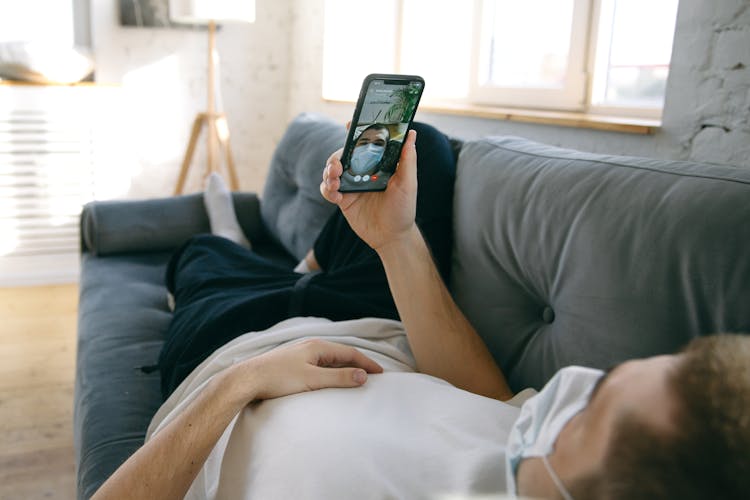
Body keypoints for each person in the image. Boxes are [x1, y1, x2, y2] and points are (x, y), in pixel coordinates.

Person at [92, 125, 750, 500]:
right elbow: (492, 400)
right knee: (420, 145)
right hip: (373, 320)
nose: (571, 391)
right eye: (607, 377)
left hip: (229, 349)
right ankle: (300, 270)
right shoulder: (539, 446)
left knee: (204, 254)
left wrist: (245, 382)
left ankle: (229, 241)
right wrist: (395, 239)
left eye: (593, 411)